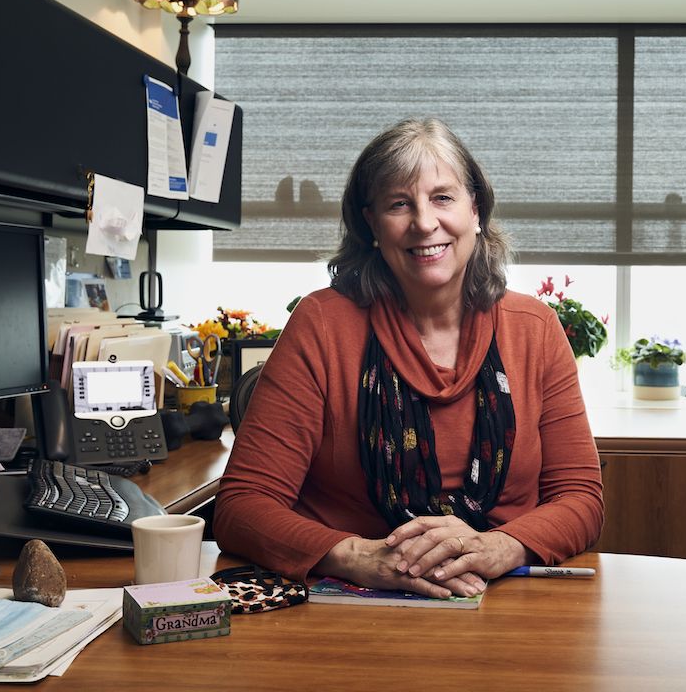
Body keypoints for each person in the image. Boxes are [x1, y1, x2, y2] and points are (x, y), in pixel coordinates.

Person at [214, 118, 604, 599]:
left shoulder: (535, 329)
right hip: (351, 601)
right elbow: (241, 506)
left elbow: (581, 499)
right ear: (372, 224)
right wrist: (361, 557)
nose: (424, 222)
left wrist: (498, 547)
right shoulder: (322, 324)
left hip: (504, 598)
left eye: (443, 198)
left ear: (476, 210)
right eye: (400, 204)